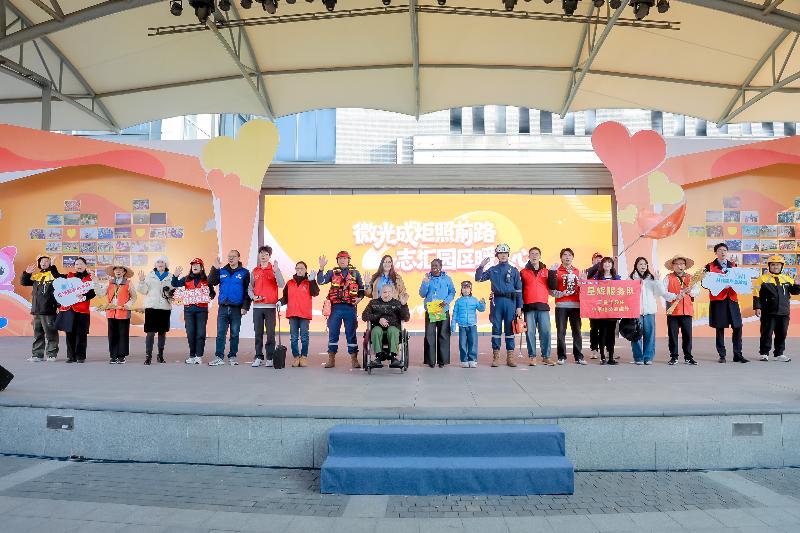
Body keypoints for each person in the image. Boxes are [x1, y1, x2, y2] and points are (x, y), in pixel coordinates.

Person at [476, 243, 523, 367]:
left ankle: (510, 357)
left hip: (510, 303)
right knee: (496, 328)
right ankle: (496, 357)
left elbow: (519, 290)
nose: (503, 255)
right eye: (500, 253)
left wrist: (519, 306)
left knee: (510, 329)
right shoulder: (492, 270)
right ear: (497, 255)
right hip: (496, 302)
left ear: (508, 255)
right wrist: (481, 266)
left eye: (505, 253)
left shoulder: (514, 271)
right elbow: (478, 278)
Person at [317, 250, 365, 369]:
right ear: (337, 261)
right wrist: (321, 268)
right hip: (335, 308)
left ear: (348, 260)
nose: (342, 260)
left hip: (350, 308)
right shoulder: (332, 273)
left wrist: (359, 298)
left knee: (351, 334)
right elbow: (320, 281)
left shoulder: (355, 273)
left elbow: (361, 289)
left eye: (345, 258)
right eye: (340, 258)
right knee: (333, 333)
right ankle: (331, 359)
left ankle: (354, 359)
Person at [704, 243, 747, 363]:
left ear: (727, 252)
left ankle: (737, 354)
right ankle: (722, 355)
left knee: (737, 327)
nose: (722, 252)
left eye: (724, 250)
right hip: (718, 301)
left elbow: (740, 281)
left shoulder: (734, 266)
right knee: (720, 328)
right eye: (720, 250)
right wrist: (721, 285)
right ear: (715, 253)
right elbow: (705, 283)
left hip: (732, 299)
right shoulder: (709, 266)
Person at [754, 254, 800, 362]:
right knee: (766, 333)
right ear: (769, 266)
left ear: (782, 266)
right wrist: (757, 307)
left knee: (782, 333)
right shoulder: (762, 279)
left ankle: (779, 354)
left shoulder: (787, 279)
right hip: (768, 312)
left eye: (778, 265)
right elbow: (756, 294)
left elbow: (795, 292)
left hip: (784, 312)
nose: (775, 267)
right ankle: (764, 353)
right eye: (773, 265)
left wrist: (797, 284)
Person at [208, 250, 251, 366]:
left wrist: (245, 307)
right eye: (229, 256)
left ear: (238, 258)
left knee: (235, 334)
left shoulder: (244, 273)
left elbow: (248, 291)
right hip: (223, 307)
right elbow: (211, 281)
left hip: (237, 308)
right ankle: (219, 357)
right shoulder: (222, 271)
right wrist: (215, 268)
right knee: (220, 333)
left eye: (233, 256)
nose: (231, 258)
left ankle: (232, 356)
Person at [172, 258, 216, 365]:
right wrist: (175, 276)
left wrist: (208, 297)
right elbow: (175, 283)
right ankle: (192, 356)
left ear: (201, 267)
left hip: (202, 311)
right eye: (193, 265)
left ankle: (198, 356)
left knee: (201, 333)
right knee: (190, 333)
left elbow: (212, 292)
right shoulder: (186, 279)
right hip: (189, 311)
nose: (194, 266)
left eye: (197, 265)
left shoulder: (206, 279)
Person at [249, 245, 285, 368]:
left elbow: (281, 284)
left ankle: (270, 358)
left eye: (266, 254)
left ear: (269, 256)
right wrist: (253, 297)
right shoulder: (254, 271)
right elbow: (250, 288)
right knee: (258, 333)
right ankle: (258, 357)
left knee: (270, 334)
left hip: (270, 307)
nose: (263, 256)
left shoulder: (274, 270)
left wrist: (276, 271)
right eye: (261, 253)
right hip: (257, 307)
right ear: (259, 255)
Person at [548, 248, 586, 365]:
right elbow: (551, 290)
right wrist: (561, 294)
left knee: (577, 331)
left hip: (576, 305)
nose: (567, 257)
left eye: (569, 255)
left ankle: (578, 356)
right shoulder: (556, 271)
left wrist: (583, 284)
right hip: (561, 305)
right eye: (565, 255)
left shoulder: (577, 271)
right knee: (561, 332)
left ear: (572, 257)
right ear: (561, 258)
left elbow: (583, 290)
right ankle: (561, 356)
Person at [20, 255, 61, 362]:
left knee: (51, 333)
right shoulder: (37, 276)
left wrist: (59, 306)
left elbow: (59, 286)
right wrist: (27, 273)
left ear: (50, 263)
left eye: (46, 261)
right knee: (38, 334)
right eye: (42, 261)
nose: (43, 263)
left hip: (49, 310)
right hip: (36, 310)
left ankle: (51, 354)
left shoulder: (53, 275)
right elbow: (24, 282)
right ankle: (37, 355)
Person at [279, 261, 320, 367]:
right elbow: (285, 297)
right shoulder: (290, 283)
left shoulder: (309, 282)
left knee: (304, 337)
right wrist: (280, 302)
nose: (299, 270)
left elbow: (315, 293)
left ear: (306, 270)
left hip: (304, 314)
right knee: (294, 338)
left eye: (302, 268)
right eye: (297, 268)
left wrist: (312, 281)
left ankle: (304, 357)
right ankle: (296, 357)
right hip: (292, 313)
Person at [662, 254, 699, 366]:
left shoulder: (691, 278)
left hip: (687, 310)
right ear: (673, 266)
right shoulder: (668, 278)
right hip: (672, 311)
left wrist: (690, 291)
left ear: (685, 265)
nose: (679, 266)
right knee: (673, 335)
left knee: (687, 335)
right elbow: (663, 292)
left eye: (682, 264)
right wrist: (674, 296)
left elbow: (697, 292)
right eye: (677, 264)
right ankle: (674, 357)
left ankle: (688, 357)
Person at [361, 283, 410, 369]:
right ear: (380, 293)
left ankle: (393, 357)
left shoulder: (398, 303)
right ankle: (378, 357)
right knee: (376, 330)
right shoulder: (373, 303)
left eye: (389, 292)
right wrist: (378, 319)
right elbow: (364, 316)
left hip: (393, 329)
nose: (387, 294)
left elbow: (406, 318)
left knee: (392, 330)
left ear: (393, 293)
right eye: (384, 292)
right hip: (377, 328)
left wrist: (403, 305)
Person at [137, 256, 175, 365]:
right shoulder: (149, 276)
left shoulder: (171, 277)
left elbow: (173, 293)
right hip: (151, 307)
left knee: (162, 333)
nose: (160, 263)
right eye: (158, 261)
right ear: (155, 264)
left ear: (166, 264)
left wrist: (170, 294)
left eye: (162, 261)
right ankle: (148, 356)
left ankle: (160, 356)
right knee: (150, 333)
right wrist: (141, 281)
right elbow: (143, 291)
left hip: (164, 308)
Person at [57, 257, 95, 364]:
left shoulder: (90, 278)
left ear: (85, 266)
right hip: (69, 309)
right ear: (74, 266)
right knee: (69, 333)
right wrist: (53, 263)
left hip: (82, 310)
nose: (79, 266)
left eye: (81, 264)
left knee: (81, 333)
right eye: (77, 264)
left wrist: (84, 296)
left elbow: (93, 293)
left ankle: (80, 356)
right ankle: (71, 356)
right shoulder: (69, 276)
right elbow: (56, 276)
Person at [419, 258, 456, 368]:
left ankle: (442, 361)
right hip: (431, 310)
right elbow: (422, 294)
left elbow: (452, 292)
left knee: (443, 334)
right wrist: (425, 283)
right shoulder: (427, 278)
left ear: (441, 267)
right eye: (432, 265)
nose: (433, 267)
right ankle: (430, 361)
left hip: (443, 309)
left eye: (436, 265)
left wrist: (446, 301)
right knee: (429, 335)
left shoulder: (447, 279)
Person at [629, 257, 665, 366]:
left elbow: (659, 293)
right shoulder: (630, 279)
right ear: (636, 266)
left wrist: (657, 281)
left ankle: (648, 357)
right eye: (640, 264)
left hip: (649, 311)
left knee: (649, 335)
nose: (643, 266)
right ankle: (638, 357)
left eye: (645, 264)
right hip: (636, 312)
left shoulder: (652, 278)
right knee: (636, 335)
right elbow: (627, 295)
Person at [520, 246, 553, 366]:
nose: (534, 256)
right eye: (532, 254)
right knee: (530, 333)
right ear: (529, 256)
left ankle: (546, 356)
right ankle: (532, 356)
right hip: (528, 307)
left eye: (536, 254)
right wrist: (520, 307)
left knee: (546, 331)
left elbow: (553, 286)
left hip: (543, 306)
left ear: (540, 256)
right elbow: (520, 290)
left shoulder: (546, 271)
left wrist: (553, 273)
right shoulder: (523, 272)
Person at [103, 263, 137, 364]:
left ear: (124, 272)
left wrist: (128, 305)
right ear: (113, 272)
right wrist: (96, 283)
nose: (118, 271)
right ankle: (113, 356)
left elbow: (134, 297)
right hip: (111, 312)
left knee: (123, 334)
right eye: (116, 269)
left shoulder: (128, 283)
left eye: (121, 269)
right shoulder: (109, 282)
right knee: (112, 335)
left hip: (123, 312)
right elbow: (101, 293)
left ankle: (122, 356)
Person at [592, 257, 621, 365]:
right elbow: (590, 290)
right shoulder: (597, 277)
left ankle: (611, 357)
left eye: (609, 262)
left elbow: (622, 291)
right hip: (601, 310)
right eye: (605, 262)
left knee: (611, 334)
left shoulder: (616, 278)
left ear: (612, 265)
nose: (607, 264)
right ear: (602, 264)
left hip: (613, 310)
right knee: (602, 333)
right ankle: (602, 357)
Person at [451, 281, 486, 368]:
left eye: (467, 288)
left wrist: (482, 304)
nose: (466, 290)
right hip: (462, 326)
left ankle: (472, 360)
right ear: (461, 290)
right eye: (464, 288)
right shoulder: (458, 301)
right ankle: (464, 360)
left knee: (473, 343)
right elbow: (455, 313)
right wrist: (453, 324)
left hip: (472, 325)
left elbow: (481, 309)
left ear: (470, 289)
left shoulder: (474, 300)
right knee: (462, 344)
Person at [586, 252, 604, 359]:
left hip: (604, 305)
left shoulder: (606, 272)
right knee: (594, 328)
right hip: (592, 305)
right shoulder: (589, 271)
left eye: (601, 259)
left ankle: (606, 350)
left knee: (605, 328)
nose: (599, 260)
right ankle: (594, 349)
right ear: (592, 260)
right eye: (596, 258)